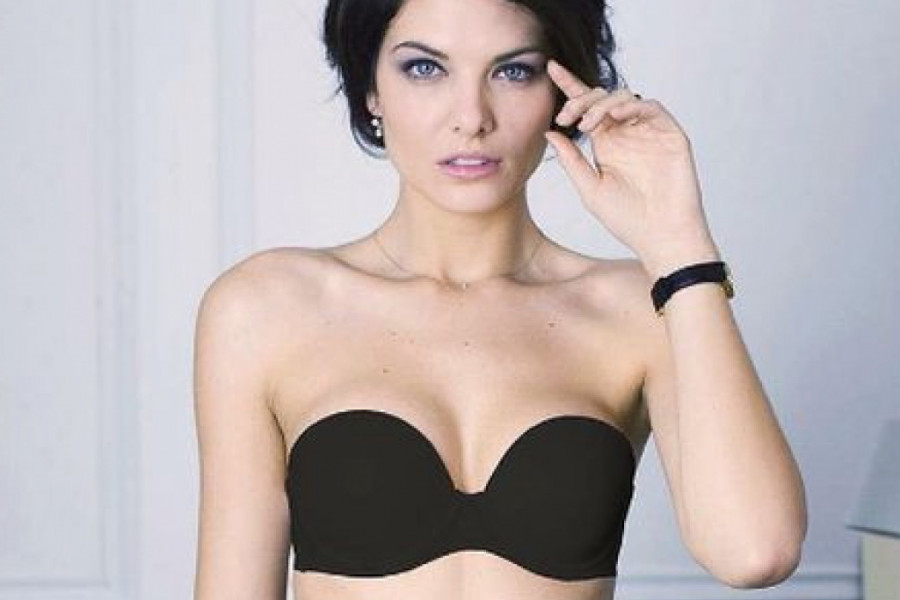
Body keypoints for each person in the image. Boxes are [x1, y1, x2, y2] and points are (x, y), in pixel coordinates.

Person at [192, 0, 808, 598]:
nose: (471, 117)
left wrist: (678, 242)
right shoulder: (265, 309)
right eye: (425, 68)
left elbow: (756, 552)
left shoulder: (639, 306)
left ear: (562, 92)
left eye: (513, 71)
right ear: (371, 88)